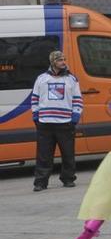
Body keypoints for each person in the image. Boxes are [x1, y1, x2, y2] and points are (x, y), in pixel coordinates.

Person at [30, 50, 82, 192]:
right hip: (45, 123)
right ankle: (40, 182)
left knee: (68, 154)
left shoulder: (72, 79)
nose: (63, 62)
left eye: (64, 59)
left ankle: (68, 179)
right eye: (60, 60)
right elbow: (34, 98)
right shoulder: (41, 78)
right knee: (43, 155)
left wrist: (75, 118)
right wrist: (36, 116)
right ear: (53, 62)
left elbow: (78, 100)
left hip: (65, 122)